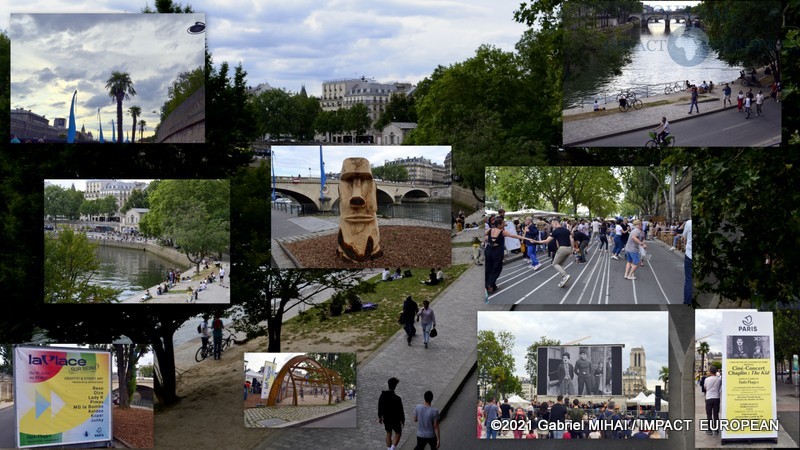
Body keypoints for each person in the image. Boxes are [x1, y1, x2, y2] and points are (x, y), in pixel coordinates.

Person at [484, 216, 533, 294]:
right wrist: (527, 239)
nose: (505, 224)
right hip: (497, 252)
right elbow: (515, 236)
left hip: (488, 250)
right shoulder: (502, 232)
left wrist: (489, 240)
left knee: (488, 268)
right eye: (503, 223)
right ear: (499, 224)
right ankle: (490, 284)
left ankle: (491, 285)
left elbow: (484, 236)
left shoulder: (489, 230)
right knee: (497, 268)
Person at [531, 219, 573, 288]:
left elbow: (546, 241)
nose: (552, 225)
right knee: (560, 265)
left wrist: (535, 241)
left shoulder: (555, 231)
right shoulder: (567, 230)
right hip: (568, 249)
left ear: (555, 223)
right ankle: (563, 278)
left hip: (562, 249)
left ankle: (565, 276)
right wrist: (572, 249)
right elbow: (571, 239)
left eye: (552, 224)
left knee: (555, 263)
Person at [378, 377, 404, 450]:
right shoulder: (397, 398)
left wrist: (380, 417)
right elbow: (400, 411)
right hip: (395, 419)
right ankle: (392, 448)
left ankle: (388, 448)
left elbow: (380, 407)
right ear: (395, 386)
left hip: (386, 418)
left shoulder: (382, 396)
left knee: (388, 433)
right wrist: (402, 420)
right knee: (398, 434)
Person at [703, 366, 721, 435]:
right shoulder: (719, 379)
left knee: (709, 414)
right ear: (716, 371)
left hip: (708, 398)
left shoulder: (707, 379)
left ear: (710, 372)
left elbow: (705, 387)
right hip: (716, 398)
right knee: (716, 414)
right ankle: (716, 429)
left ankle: (709, 430)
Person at [682, 219, 692, 305]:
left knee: (689, 279)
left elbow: (684, 235)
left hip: (689, 255)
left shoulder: (689, 223)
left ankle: (687, 302)